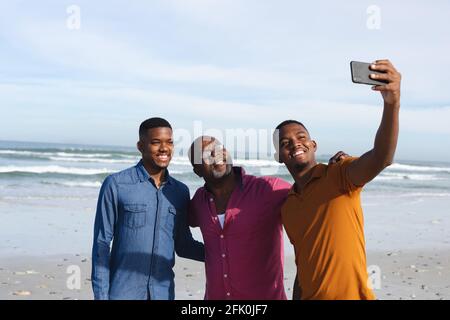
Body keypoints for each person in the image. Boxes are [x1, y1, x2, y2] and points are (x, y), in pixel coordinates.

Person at [275, 59, 401, 300]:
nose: (295, 143)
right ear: (280, 156)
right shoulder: (288, 207)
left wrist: (392, 103)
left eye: (301, 137)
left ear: (313, 145)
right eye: (285, 143)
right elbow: (304, 268)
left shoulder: (340, 174)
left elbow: (382, 158)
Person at [188, 135, 347, 299]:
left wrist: (333, 172)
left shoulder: (268, 190)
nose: (216, 155)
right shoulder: (199, 202)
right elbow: (176, 229)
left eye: (219, 149)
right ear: (197, 170)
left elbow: (309, 195)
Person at [91, 117, 204, 300]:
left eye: (169, 142)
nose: (164, 148)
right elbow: (101, 244)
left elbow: (184, 245)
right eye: (155, 142)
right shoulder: (116, 184)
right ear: (140, 146)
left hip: (163, 293)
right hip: (123, 293)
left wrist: (226, 253)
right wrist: (101, 296)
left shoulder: (180, 192)